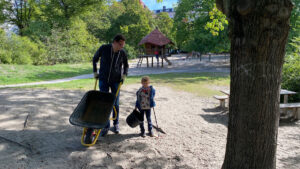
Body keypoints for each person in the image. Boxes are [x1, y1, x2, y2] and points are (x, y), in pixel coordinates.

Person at [85, 34, 129, 144]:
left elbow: (126, 65)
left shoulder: (122, 53)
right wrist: (95, 72)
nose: (122, 47)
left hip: (115, 81)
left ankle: (116, 124)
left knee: (115, 103)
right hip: (103, 79)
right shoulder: (104, 48)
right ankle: (105, 125)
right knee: (103, 103)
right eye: (120, 44)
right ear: (114, 42)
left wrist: (124, 76)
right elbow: (94, 59)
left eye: (123, 45)